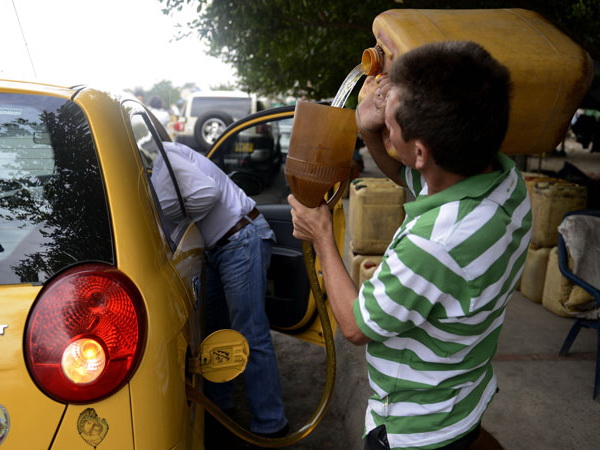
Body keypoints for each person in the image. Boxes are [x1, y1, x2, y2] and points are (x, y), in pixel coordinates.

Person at [288, 41, 532, 450]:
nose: (385, 123)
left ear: (419, 151)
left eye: (390, 125)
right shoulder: (505, 185)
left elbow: (356, 324)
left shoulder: (433, 243)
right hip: (463, 386)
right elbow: (412, 177)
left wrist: (322, 236)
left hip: (414, 424)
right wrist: (368, 128)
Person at [151, 141, 289, 440]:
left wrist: (177, 216)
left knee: (250, 332)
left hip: (240, 237)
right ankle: (219, 408)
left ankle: (272, 422)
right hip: (220, 247)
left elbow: (207, 194)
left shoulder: (164, 162)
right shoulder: (165, 162)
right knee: (214, 331)